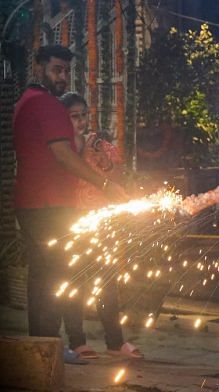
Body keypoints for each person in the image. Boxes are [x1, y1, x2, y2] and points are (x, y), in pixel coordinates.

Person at [12, 45, 128, 363]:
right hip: (49, 205)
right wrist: (104, 183)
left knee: (41, 277)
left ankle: (43, 346)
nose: (62, 77)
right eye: (56, 70)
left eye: (65, 71)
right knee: (52, 278)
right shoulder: (47, 104)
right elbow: (62, 153)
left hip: (32, 202)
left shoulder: (24, 102)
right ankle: (49, 345)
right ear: (38, 68)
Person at [59, 92, 143, 359]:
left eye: (84, 115)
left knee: (106, 280)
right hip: (70, 220)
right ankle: (76, 340)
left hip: (101, 220)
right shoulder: (61, 145)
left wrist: (105, 161)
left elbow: (120, 175)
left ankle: (115, 342)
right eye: (74, 116)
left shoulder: (100, 142)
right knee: (75, 282)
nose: (81, 121)